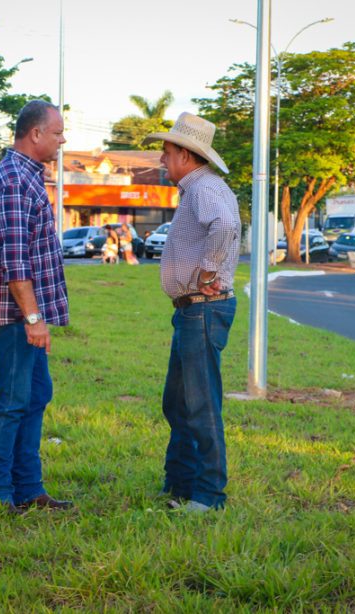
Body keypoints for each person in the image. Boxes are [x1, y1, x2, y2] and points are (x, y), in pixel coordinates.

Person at [0, 100, 73, 514]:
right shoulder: (14, 181)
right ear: (35, 134)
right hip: (15, 316)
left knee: (35, 396)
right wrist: (33, 318)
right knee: (12, 402)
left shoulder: (26, 177)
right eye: (57, 132)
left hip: (26, 315)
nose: (62, 140)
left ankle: (29, 489)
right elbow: (15, 263)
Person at [143, 112, 241, 513]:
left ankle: (208, 495)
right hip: (191, 311)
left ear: (186, 154)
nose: (162, 160)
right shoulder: (195, 188)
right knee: (178, 402)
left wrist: (207, 271)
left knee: (199, 403)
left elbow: (226, 227)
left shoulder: (205, 188)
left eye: (167, 152)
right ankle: (180, 484)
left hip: (203, 308)